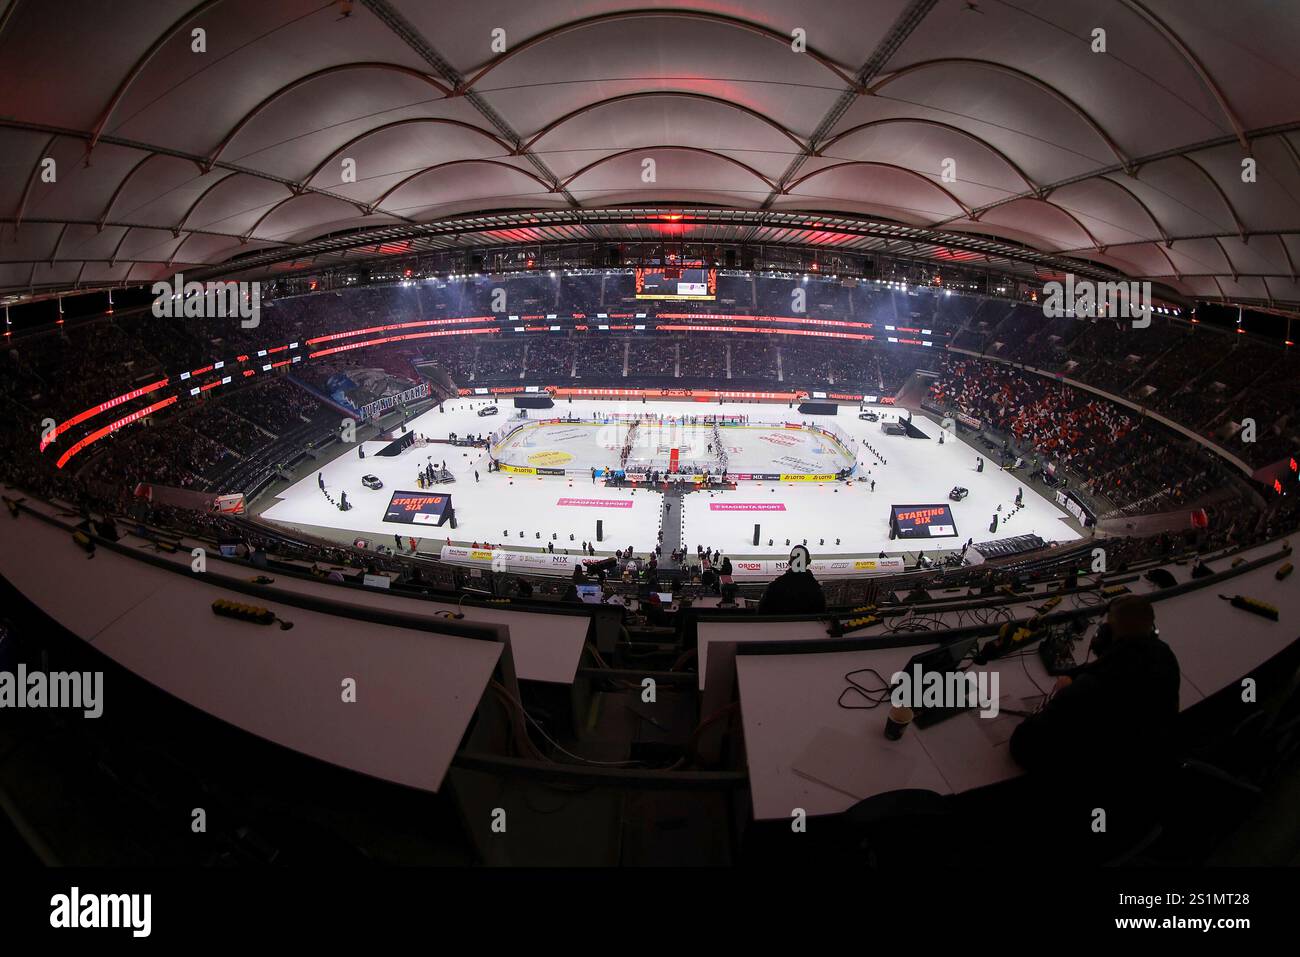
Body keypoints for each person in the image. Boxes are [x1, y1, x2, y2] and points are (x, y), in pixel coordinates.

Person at [758, 545, 826, 614]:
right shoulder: (816, 590)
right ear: (809, 561)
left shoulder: (774, 587)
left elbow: (761, 612)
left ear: (790, 562)